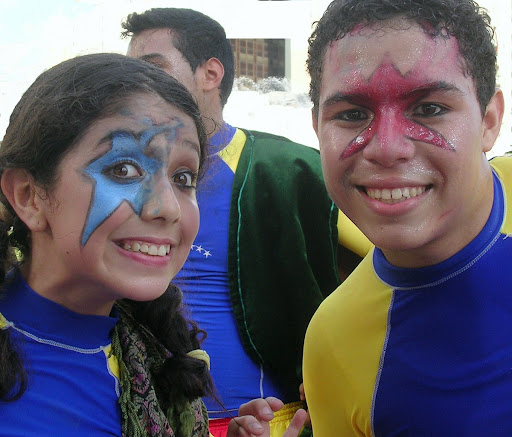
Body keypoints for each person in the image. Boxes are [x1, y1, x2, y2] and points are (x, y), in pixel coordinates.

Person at [0, 52, 306, 437]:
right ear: (28, 196)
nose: (167, 208)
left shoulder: (151, 355)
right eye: (123, 169)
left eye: (183, 177)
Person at [121, 7, 371, 436]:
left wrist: (347, 365)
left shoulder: (292, 169)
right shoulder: (117, 176)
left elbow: (402, 263)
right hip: (145, 420)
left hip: (269, 424)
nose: (132, 86)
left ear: (211, 73)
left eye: (152, 69)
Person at [302, 0, 511, 435]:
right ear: (318, 129)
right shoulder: (334, 342)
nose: (387, 148)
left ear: (489, 120)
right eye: (353, 114)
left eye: (429, 108)